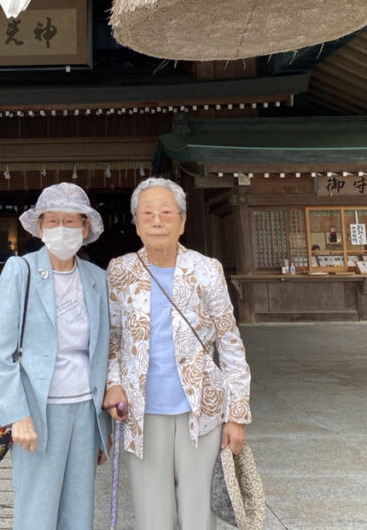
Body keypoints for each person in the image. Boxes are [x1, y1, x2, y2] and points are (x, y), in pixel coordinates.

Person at [103, 178, 251, 530]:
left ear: (182, 222)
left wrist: (236, 415)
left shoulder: (206, 270)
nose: (157, 221)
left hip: (201, 411)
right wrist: (113, 384)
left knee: (199, 512)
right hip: (141, 410)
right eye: (148, 214)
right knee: (153, 514)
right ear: (136, 224)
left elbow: (230, 343)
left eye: (166, 213)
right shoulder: (120, 271)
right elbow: (112, 339)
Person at [0, 183, 111, 530]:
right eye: (52, 220)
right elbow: (2, 354)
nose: (61, 229)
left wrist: (103, 426)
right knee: (37, 513)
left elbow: (101, 351)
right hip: (39, 413)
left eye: (70, 221)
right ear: (40, 227)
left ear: (85, 228)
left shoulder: (97, 279)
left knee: (78, 512)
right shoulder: (21, 271)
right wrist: (17, 416)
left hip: (85, 411)